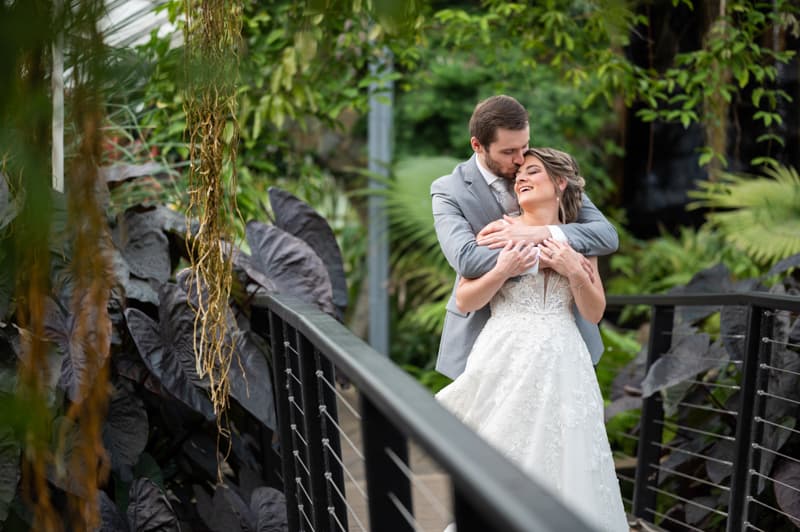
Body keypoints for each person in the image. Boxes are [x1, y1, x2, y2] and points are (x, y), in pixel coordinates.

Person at [436, 147, 628, 532]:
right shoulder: (497, 229)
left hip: (565, 359)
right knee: (503, 454)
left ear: (559, 183)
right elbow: (464, 298)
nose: (520, 178)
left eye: (533, 172)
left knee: (570, 461)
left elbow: (593, 312)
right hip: (505, 355)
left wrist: (574, 269)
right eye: (518, 174)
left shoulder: (579, 238)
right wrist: (502, 270)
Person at [430, 95, 618, 381]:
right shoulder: (449, 190)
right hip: (488, 339)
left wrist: (539, 232)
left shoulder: (546, 174)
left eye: (525, 146)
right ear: (477, 146)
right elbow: (467, 259)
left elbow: (605, 236)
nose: (520, 161)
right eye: (508, 152)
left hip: (565, 342)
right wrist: (545, 257)